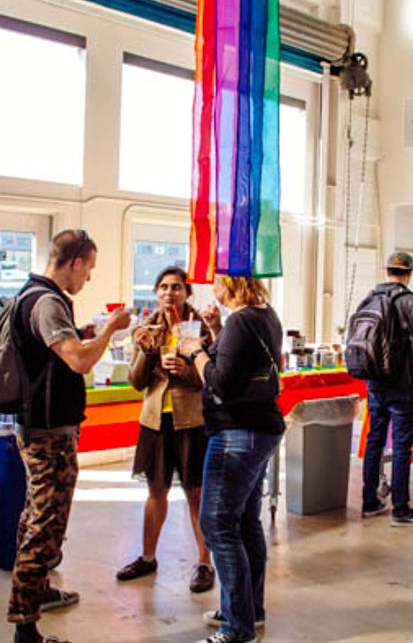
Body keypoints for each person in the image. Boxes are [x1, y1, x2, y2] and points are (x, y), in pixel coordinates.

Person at [8, 229, 131, 643]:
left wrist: (81, 331)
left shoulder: (35, 296)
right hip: (48, 434)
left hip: (40, 428)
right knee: (44, 525)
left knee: (36, 515)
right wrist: (110, 329)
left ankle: (38, 591)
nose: (88, 278)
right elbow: (78, 361)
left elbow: (53, 353)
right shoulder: (46, 302)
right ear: (75, 263)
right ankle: (25, 627)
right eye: (89, 269)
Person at [180, 275, 285, 643]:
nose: (212, 289)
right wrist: (215, 330)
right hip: (260, 428)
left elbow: (222, 383)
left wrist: (195, 352)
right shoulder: (263, 314)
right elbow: (242, 363)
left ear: (230, 284)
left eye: (217, 282)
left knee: (218, 524)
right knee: (244, 523)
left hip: (237, 433)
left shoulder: (242, 320)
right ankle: (248, 611)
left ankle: (238, 629)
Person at [115, 266, 215, 593]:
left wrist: (186, 370)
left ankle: (204, 563)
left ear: (187, 292)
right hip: (155, 421)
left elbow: (213, 378)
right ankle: (147, 557)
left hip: (192, 421)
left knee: (195, 492)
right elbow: (136, 382)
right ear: (156, 292)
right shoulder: (148, 328)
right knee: (156, 490)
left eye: (176, 287)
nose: (169, 292)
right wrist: (146, 351)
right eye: (163, 287)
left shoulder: (202, 328)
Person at [360, 252, 413, 526]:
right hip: (400, 384)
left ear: (387, 271)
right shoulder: (408, 300)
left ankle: (370, 501)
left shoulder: (370, 297)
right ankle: (401, 509)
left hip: (374, 381)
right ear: (409, 273)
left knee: (375, 439)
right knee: (402, 445)